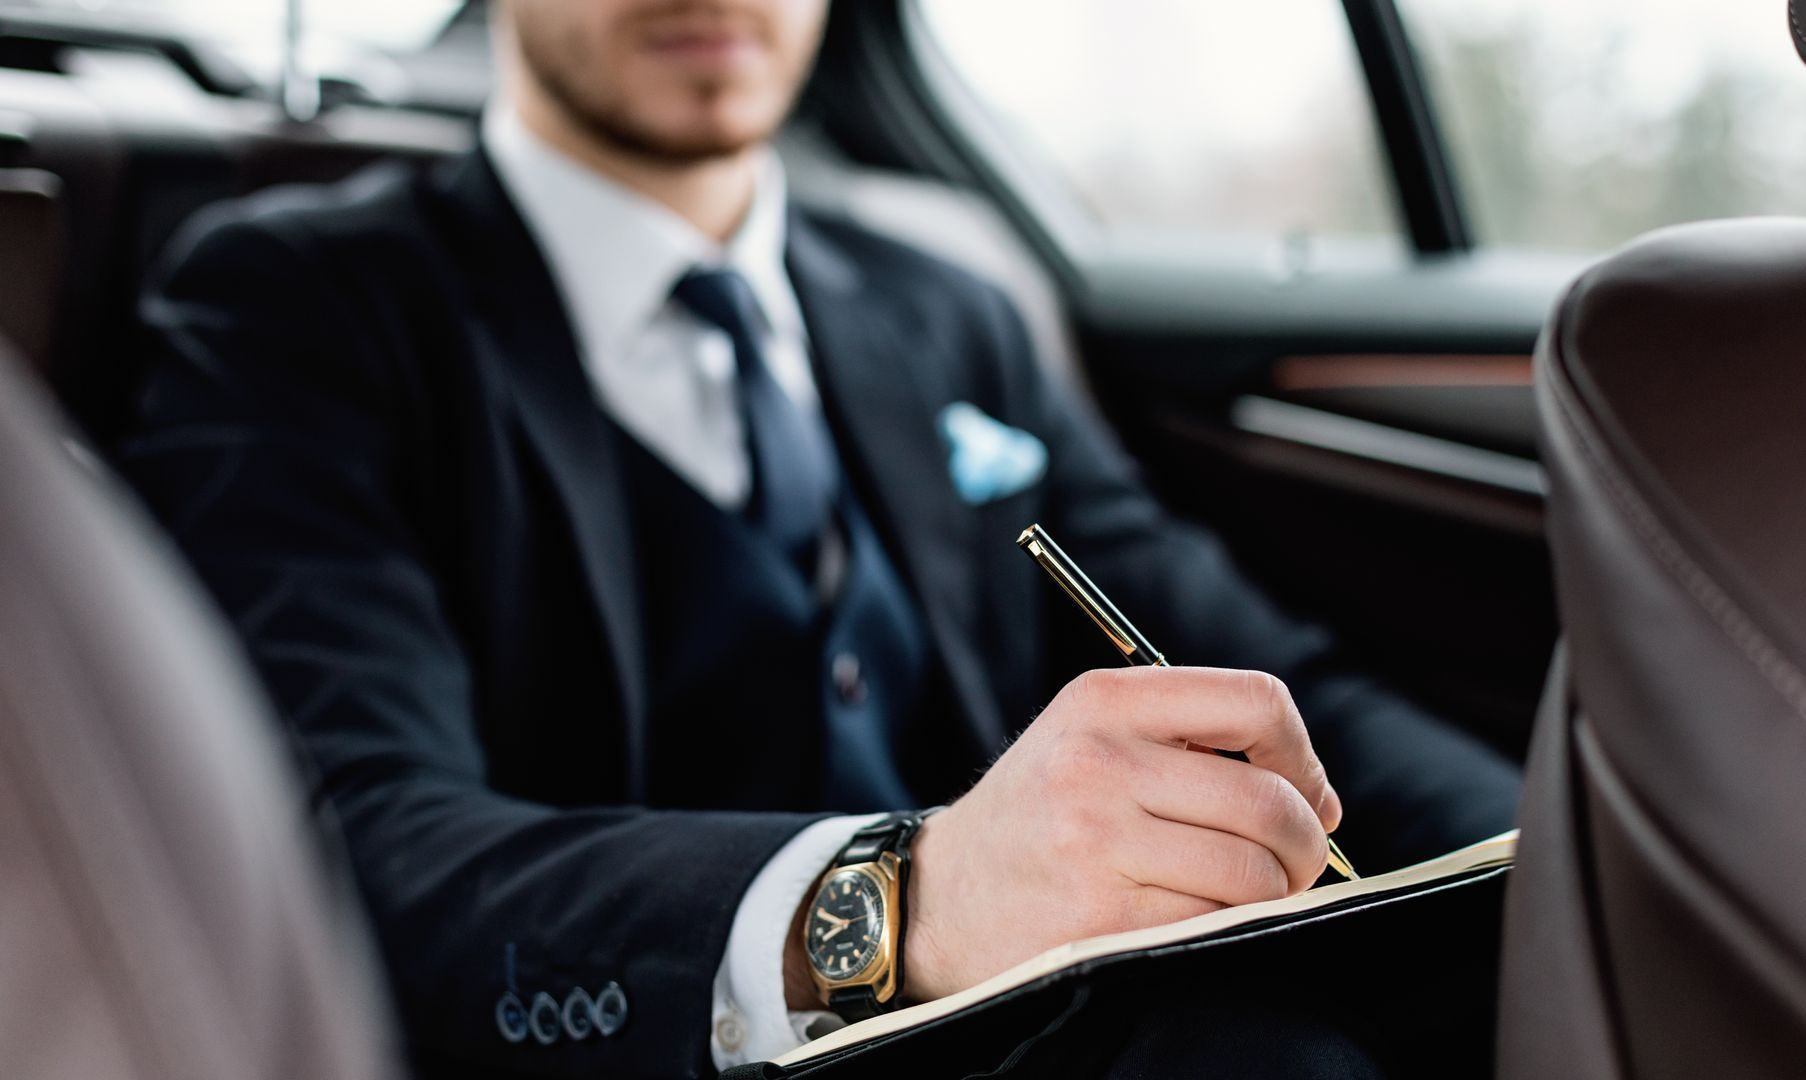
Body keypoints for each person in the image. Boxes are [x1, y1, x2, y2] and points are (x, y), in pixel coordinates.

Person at [119, 1, 1519, 1076]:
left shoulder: (949, 311)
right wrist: (902, 897)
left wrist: (1563, 855)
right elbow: (348, 847)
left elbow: (1258, 677)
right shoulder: (295, 308)